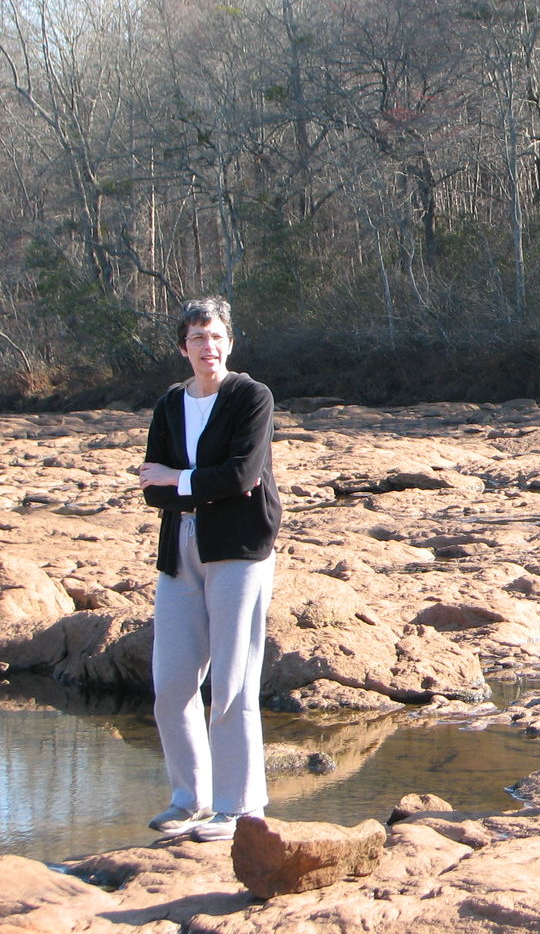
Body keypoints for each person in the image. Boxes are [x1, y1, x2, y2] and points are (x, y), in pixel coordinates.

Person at [138, 296, 281, 842]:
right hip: (181, 546)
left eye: (216, 336)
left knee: (233, 682)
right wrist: (189, 484)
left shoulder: (251, 396)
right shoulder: (170, 403)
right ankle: (189, 799)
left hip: (241, 548)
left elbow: (243, 474)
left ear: (229, 342)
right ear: (183, 348)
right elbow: (153, 490)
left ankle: (239, 807)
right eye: (198, 338)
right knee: (171, 684)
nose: (208, 347)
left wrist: (180, 480)